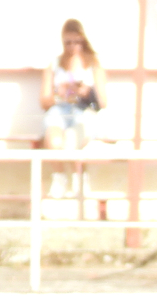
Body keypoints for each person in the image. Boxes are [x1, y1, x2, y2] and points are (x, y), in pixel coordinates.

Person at [39, 18, 104, 198]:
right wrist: (60, 93)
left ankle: (79, 179)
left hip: (84, 111)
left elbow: (103, 101)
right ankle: (60, 178)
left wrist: (85, 92)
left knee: (77, 138)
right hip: (60, 110)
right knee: (54, 139)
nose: (73, 46)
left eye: (77, 42)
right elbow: (44, 101)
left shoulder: (93, 64)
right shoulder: (54, 64)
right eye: (68, 42)